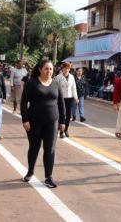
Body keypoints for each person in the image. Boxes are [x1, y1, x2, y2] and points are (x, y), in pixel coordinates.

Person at [20, 60, 65, 188]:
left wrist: (62, 121)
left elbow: (61, 104)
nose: (49, 71)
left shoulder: (56, 84)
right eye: (46, 69)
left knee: (50, 149)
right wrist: (25, 120)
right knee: (34, 147)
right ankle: (30, 171)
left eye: (51, 69)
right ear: (40, 69)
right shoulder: (32, 83)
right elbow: (23, 103)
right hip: (34, 121)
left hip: (52, 122)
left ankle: (48, 177)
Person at [54, 63, 79, 138]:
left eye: (68, 68)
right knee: (61, 115)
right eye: (65, 68)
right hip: (61, 98)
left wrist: (76, 97)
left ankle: (66, 129)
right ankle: (60, 131)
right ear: (62, 69)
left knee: (68, 115)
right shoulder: (58, 77)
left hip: (69, 98)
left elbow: (74, 87)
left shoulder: (71, 77)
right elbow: (54, 88)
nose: (66, 70)